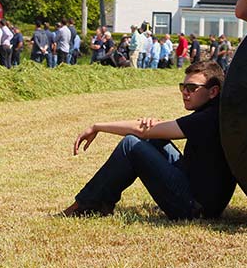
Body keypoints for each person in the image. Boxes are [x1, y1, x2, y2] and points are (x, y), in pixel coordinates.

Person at [63, 61, 236, 220]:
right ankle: (97, 202)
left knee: (131, 144)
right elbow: (158, 130)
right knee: (153, 140)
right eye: (183, 86)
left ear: (213, 91)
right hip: (203, 197)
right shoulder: (215, 112)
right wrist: (152, 126)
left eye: (191, 88)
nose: (185, 92)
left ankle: (89, 205)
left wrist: (97, 127)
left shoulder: (208, 118)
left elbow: (142, 132)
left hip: (195, 208)